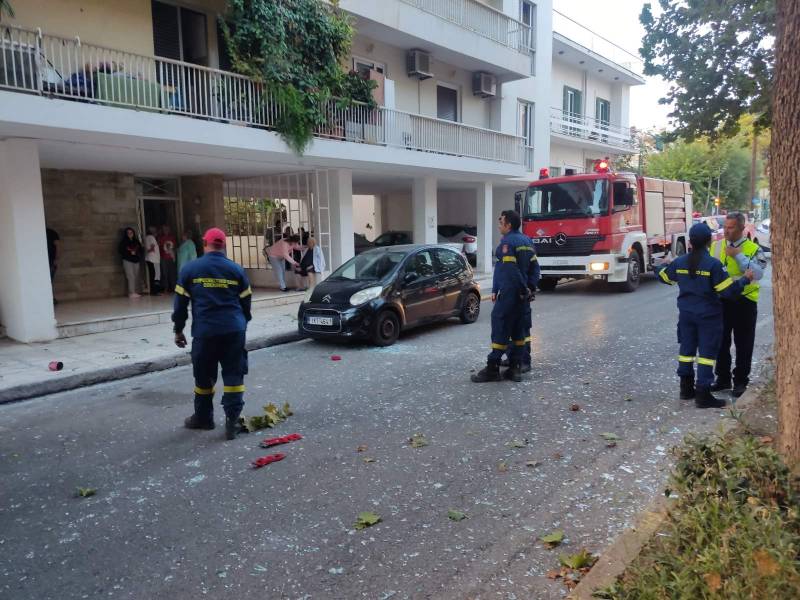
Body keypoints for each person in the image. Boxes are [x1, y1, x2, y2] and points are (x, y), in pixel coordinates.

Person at [655, 222, 754, 408]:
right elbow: (729, 292)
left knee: (686, 351)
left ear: (691, 241)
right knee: (706, 354)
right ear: (709, 241)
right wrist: (744, 280)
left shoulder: (680, 262)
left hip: (686, 316)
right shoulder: (713, 265)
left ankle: (686, 389)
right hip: (708, 317)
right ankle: (703, 394)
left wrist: (659, 267)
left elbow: (665, 278)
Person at [172, 228, 252, 440]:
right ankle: (232, 422)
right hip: (233, 330)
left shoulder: (190, 269)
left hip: (205, 333)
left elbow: (180, 305)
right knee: (234, 376)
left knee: (203, 377)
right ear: (224, 245)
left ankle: (204, 418)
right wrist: (243, 323)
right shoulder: (236, 270)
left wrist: (178, 329)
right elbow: (246, 302)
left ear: (205, 244)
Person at [472, 210, 536, 383]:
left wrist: (520, 289)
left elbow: (509, 271)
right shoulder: (527, 241)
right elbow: (534, 268)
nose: (499, 225)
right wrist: (530, 288)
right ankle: (515, 368)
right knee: (518, 330)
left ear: (508, 225)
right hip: (522, 296)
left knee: (500, 327)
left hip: (511, 294)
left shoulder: (507, 244)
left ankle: (493, 368)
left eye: (501, 222)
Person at [709, 212, 767, 398]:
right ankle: (723, 378)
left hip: (744, 301)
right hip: (721, 301)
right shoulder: (716, 246)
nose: (726, 230)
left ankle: (741, 381)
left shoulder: (752, 248)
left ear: (742, 228)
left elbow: (757, 274)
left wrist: (738, 256)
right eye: (725, 226)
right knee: (721, 343)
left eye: (731, 227)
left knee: (744, 344)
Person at [118, 227, 143, 298]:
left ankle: (136, 291)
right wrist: (129, 253)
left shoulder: (136, 241)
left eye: (131, 232)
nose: (130, 234)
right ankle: (131, 292)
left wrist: (137, 254)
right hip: (127, 260)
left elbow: (141, 250)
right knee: (130, 276)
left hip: (136, 260)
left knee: (136, 276)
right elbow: (121, 251)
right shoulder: (123, 242)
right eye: (128, 233)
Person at [158, 225, 178, 293]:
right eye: (164, 229)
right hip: (163, 258)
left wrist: (174, 256)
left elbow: (175, 247)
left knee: (172, 273)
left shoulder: (172, 237)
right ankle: (165, 288)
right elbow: (159, 247)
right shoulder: (160, 238)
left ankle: (174, 288)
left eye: (167, 229)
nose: (166, 230)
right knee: (164, 274)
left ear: (169, 230)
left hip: (171, 258)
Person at [144, 226, 162, 296]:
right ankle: (155, 291)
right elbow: (152, 247)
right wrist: (152, 249)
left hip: (151, 258)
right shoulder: (151, 237)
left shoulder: (147, 237)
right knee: (155, 275)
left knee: (153, 275)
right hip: (153, 259)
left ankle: (154, 290)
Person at [46, 227, 60, 304]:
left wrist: (56, 258)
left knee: (49, 280)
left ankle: (50, 298)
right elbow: (58, 246)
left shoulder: (51, 232)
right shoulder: (51, 232)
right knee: (49, 281)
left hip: (51, 261)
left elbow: (58, 246)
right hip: (47, 261)